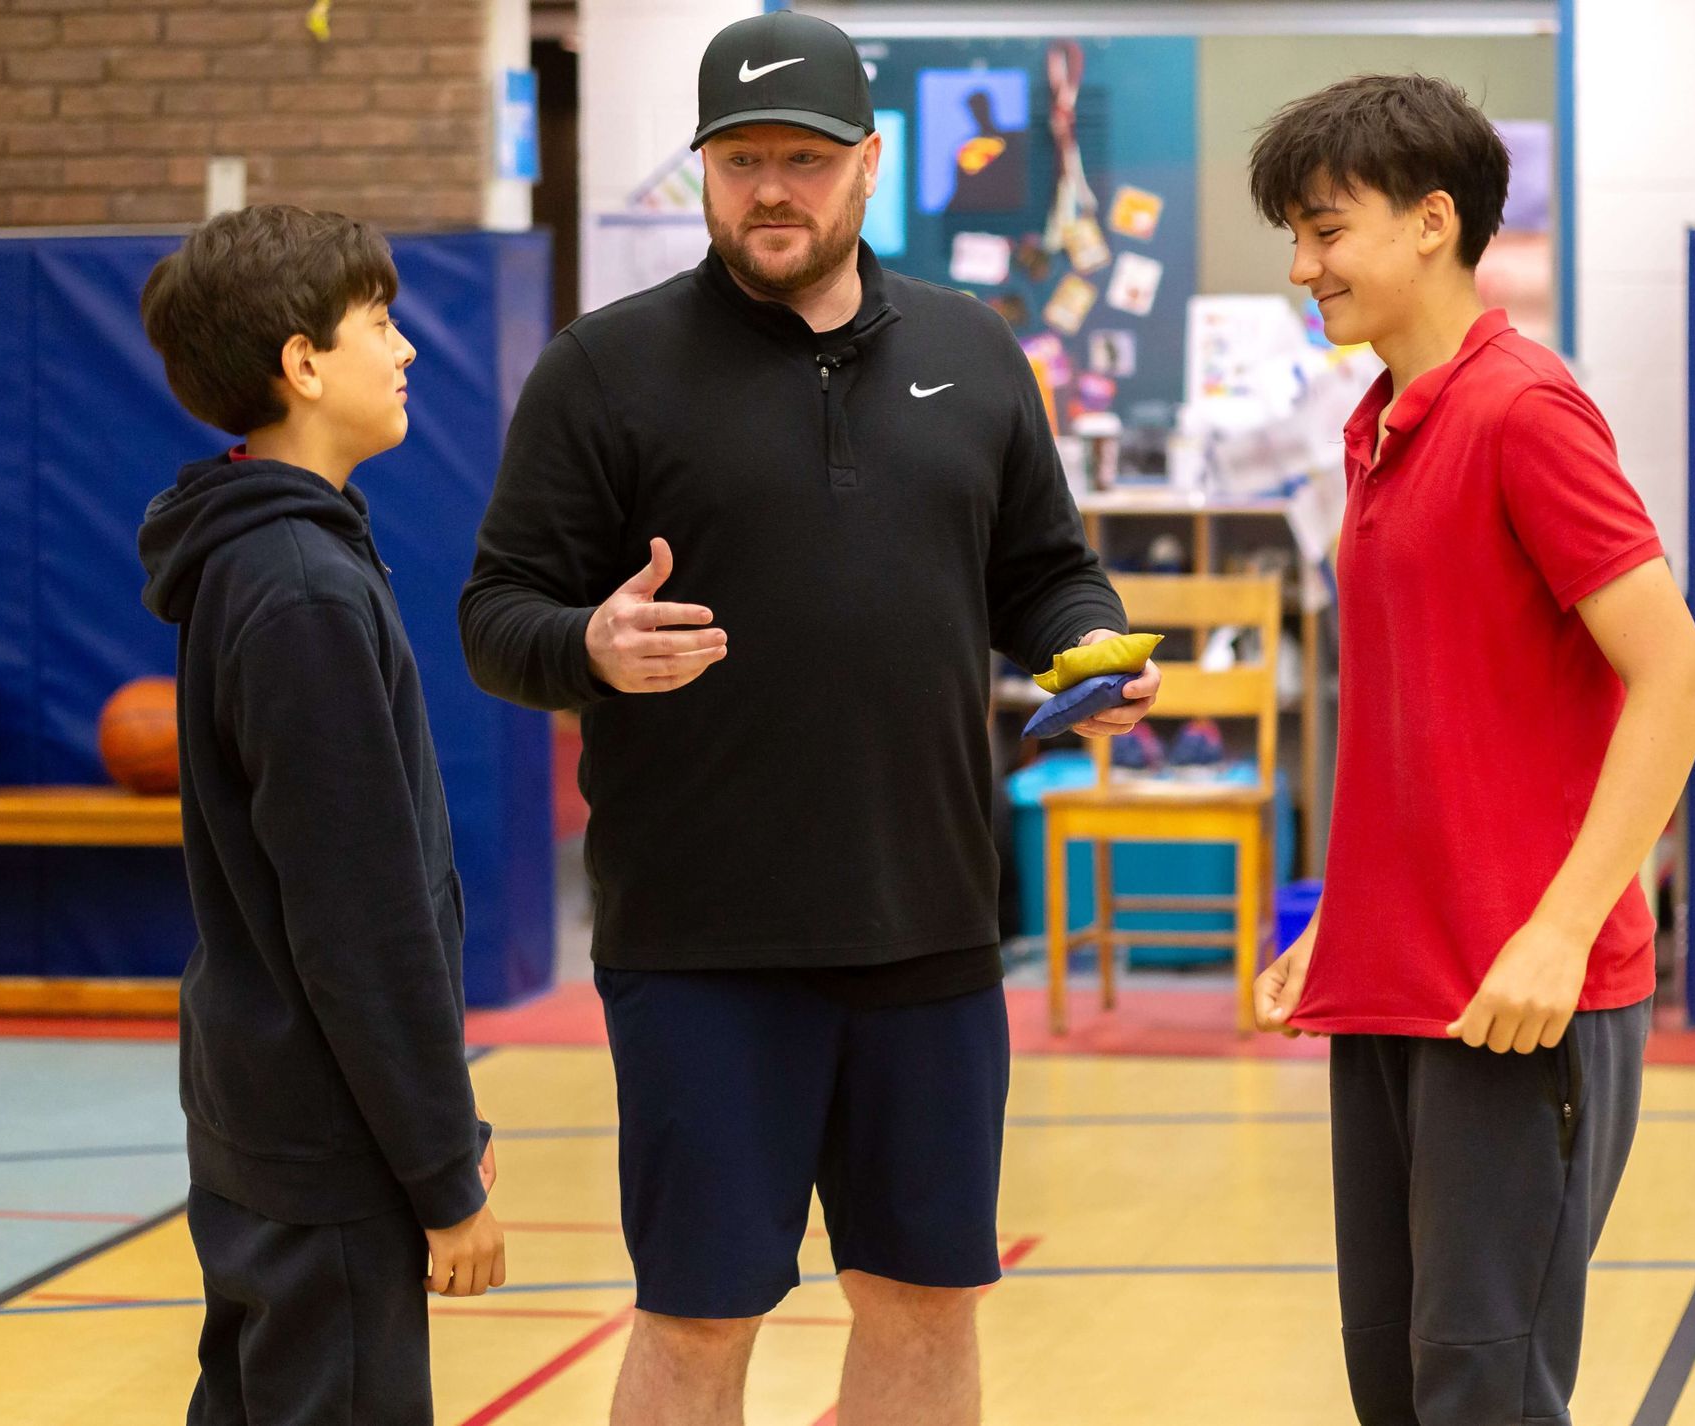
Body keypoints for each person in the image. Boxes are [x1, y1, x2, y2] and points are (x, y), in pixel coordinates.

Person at [458, 12, 1156, 1424]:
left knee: (924, 1297)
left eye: (806, 159)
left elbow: (1044, 569)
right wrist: (587, 642)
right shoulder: (605, 370)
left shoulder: (973, 349)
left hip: (936, 926)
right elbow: (496, 616)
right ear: (705, 167)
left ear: (868, 163)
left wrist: (1082, 643)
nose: (772, 188)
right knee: (701, 1314)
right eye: (740, 158)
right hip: (702, 945)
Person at [1245, 75, 1695, 1426]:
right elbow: (1434, 720)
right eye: (1296, 234)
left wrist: (1564, 930)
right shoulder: (1380, 426)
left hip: (1519, 1003)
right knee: (1395, 1385)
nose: (1303, 266)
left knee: (1484, 1393)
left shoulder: (1526, 410)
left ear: (1433, 223)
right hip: (1391, 981)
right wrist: (1346, 909)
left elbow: (1676, 681)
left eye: (1326, 231)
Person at [138, 204, 504, 1426]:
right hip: (326, 1140)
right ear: (303, 363)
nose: (405, 350)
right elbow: (360, 919)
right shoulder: (296, 589)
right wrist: (443, 1171)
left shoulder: (265, 557)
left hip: (272, 1109)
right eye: (379, 323)